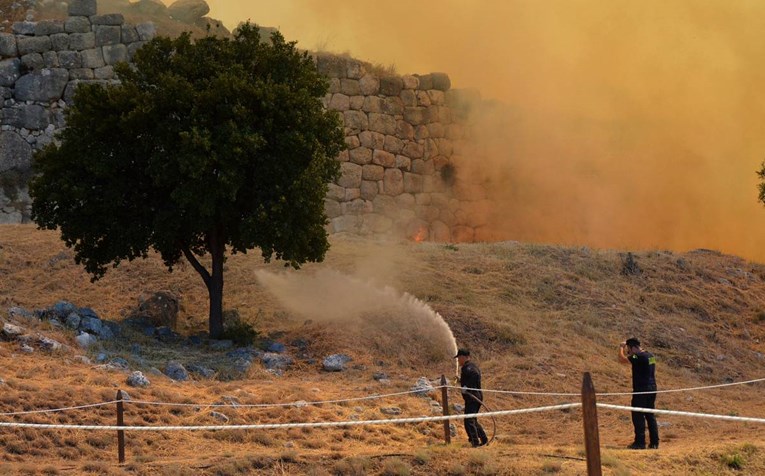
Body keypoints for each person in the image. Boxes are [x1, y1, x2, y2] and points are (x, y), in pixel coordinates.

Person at [618, 337, 659, 449]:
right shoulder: (650, 355)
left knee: (638, 416)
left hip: (641, 390)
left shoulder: (638, 356)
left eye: (629, 350)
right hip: (652, 388)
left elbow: (622, 360)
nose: (629, 353)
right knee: (650, 415)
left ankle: (640, 443)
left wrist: (621, 347)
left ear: (633, 348)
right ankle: (654, 443)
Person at [455, 348, 488, 447]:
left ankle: (475, 442)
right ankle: (483, 439)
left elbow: (475, 375)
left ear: (463, 357)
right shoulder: (468, 367)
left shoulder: (468, 367)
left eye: (459, 358)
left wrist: (466, 386)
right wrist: (461, 381)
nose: (458, 361)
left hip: (473, 397)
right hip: (473, 397)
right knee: (472, 419)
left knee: (469, 420)